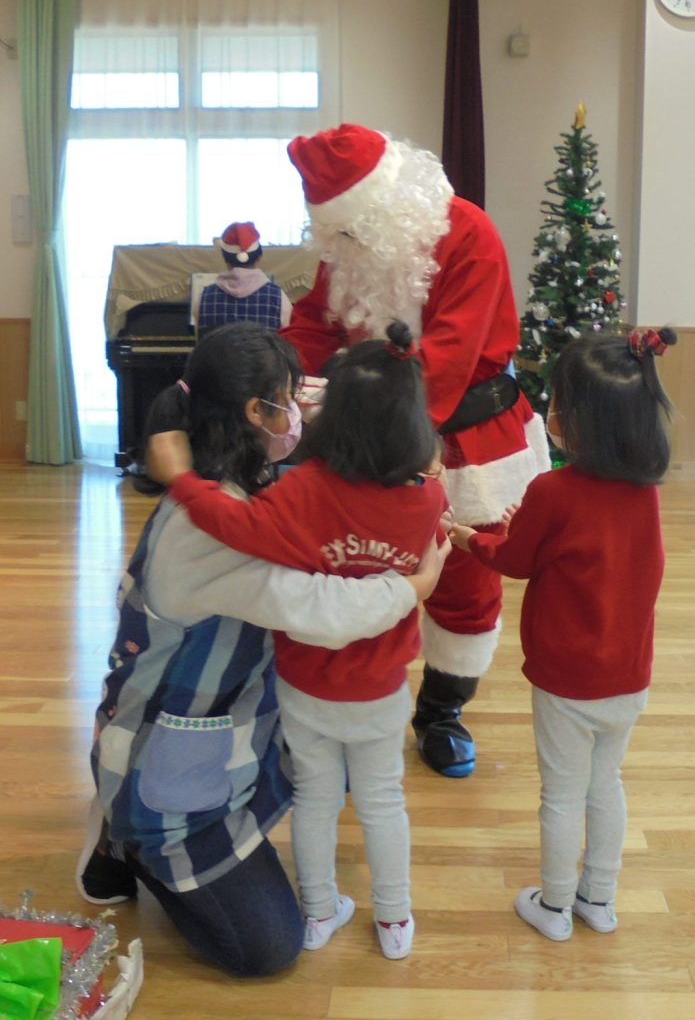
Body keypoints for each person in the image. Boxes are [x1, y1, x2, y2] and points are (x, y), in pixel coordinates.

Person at [77, 322, 449, 978]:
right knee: (267, 948)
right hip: (167, 752)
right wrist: (412, 583)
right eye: (288, 397)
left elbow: (309, 498)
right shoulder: (208, 528)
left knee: (314, 775)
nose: (301, 410)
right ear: (257, 411)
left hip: (212, 721)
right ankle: (128, 836)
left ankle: (124, 832)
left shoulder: (245, 479)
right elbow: (320, 610)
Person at [277, 122, 550, 778]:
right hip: (362, 422)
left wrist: (348, 405)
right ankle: (351, 707)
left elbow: (451, 354)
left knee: (465, 577)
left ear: (390, 198)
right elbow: (315, 320)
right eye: (339, 232)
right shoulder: (348, 241)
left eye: (358, 225)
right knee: (360, 567)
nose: (351, 242)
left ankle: (441, 711)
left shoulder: (469, 234)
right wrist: (282, 375)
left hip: (463, 436)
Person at [449, 327, 677, 941]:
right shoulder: (644, 494)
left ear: (579, 422)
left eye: (558, 406)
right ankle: (598, 899)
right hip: (628, 676)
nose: (549, 415)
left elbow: (516, 561)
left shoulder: (551, 488)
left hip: (566, 679)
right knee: (607, 783)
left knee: (562, 793)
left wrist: (469, 537)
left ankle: (552, 906)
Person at [196, 221, 293, 335]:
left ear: (224, 257)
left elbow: (201, 342)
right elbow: (288, 341)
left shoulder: (204, 297)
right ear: (259, 256)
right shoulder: (278, 297)